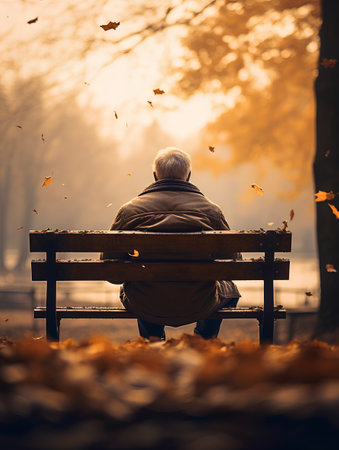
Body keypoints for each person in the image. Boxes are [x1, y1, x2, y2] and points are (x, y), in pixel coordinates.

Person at [102, 147, 240, 340]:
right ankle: (203, 340)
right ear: (189, 176)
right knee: (231, 290)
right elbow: (232, 266)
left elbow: (111, 273)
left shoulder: (129, 212)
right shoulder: (212, 211)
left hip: (147, 301)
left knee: (141, 288)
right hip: (199, 301)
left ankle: (153, 341)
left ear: (155, 176)